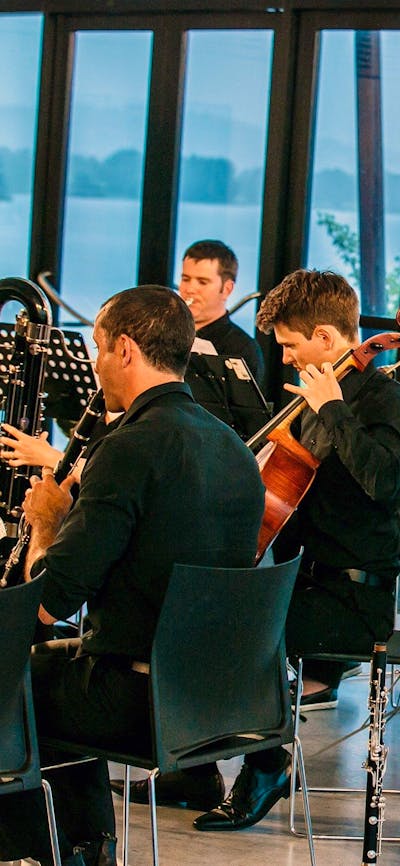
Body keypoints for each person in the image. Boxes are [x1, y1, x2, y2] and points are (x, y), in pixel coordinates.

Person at [0, 284, 265, 865]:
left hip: (143, 698)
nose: (95, 368)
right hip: (222, 698)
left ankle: (48, 852)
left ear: (125, 349)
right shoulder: (235, 448)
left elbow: (51, 598)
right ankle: (83, 843)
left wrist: (47, 522)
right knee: (53, 669)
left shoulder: (129, 448)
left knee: (9, 681)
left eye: (97, 349)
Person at [191, 268, 400, 831]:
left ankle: (265, 767)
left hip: (356, 598)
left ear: (328, 339)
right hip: (304, 582)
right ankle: (198, 769)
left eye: (290, 344)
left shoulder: (385, 397)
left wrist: (332, 408)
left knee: (240, 628)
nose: (283, 357)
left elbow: (386, 483)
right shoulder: (308, 399)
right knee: (204, 615)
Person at [178, 238, 265, 386]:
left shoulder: (242, 348)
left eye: (202, 282)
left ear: (227, 289)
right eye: (186, 279)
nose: (190, 289)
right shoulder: (169, 333)